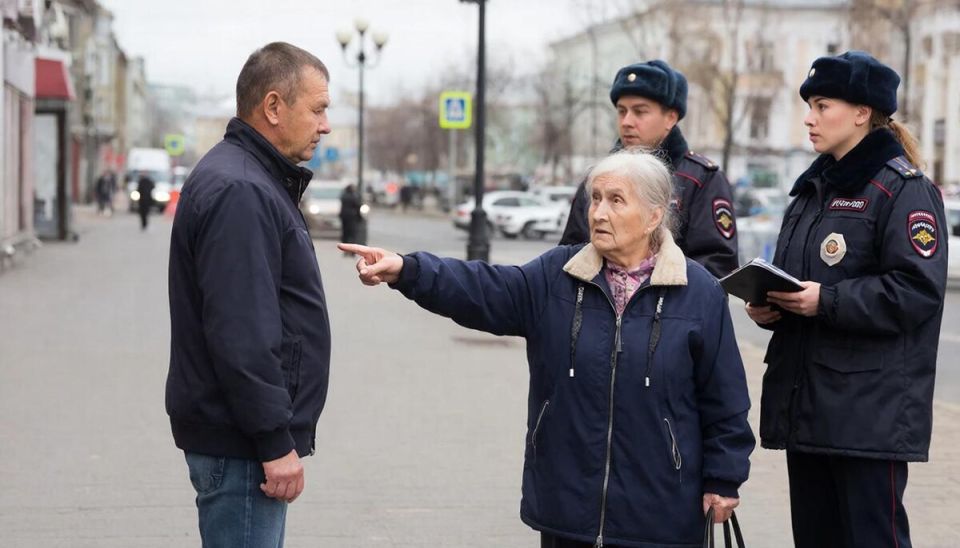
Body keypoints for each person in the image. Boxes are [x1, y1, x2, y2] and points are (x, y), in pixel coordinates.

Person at [341, 150, 755, 547]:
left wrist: (723, 479)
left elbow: (725, 398)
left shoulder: (698, 292)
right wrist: (407, 269)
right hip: (568, 506)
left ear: (653, 215)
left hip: (661, 514)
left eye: (615, 200)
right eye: (595, 198)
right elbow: (483, 288)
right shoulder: (557, 275)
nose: (598, 213)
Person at [745, 51, 947, 548]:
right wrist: (769, 306)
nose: (809, 118)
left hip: (867, 417)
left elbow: (916, 290)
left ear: (862, 112)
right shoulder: (811, 192)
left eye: (822, 105)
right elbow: (799, 281)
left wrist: (827, 301)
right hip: (808, 408)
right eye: (809, 106)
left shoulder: (903, 190)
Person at [166, 42, 333, 548]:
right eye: (318, 109)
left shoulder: (247, 177)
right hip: (242, 447)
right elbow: (242, 334)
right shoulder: (242, 189)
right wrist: (273, 441)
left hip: (237, 438)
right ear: (274, 106)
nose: (325, 126)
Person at [560, 60, 739, 278]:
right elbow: (570, 255)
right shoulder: (598, 179)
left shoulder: (702, 179)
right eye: (622, 111)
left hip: (673, 298)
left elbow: (716, 267)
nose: (627, 121)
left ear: (670, 118)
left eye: (639, 112)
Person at [339, 183, 362, 247]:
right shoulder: (354, 196)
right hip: (352, 216)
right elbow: (357, 205)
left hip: (344, 216)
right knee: (352, 232)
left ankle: (344, 245)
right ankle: (351, 246)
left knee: (345, 231)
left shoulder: (344, 196)